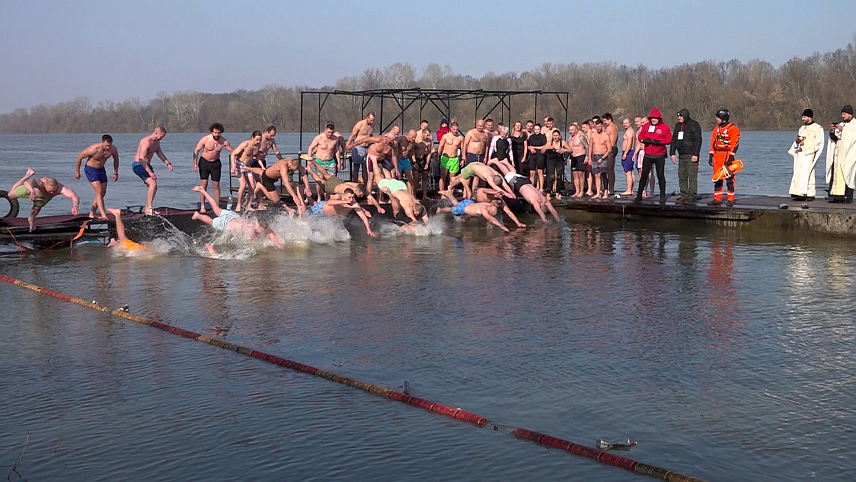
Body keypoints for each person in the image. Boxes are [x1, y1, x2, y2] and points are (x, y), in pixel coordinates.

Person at [191, 186, 281, 243]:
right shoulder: (251, 230)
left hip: (233, 216)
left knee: (216, 209)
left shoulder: (258, 223)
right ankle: (197, 215)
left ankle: (203, 191)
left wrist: (277, 242)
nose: (264, 231)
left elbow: (271, 234)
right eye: (263, 230)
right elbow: (253, 247)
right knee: (210, 221)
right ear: (259, 227)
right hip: (225, 223)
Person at [488, 158, 561, 223]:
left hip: (527, 181)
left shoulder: (545, 200)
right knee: (507, 174)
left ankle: (506, 162)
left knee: (513, 174)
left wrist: (558, 220)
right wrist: (546, 222)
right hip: (520, 184)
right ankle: (496, 162)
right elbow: (541, 213)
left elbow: (553, 210)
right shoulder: (536, 202)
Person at [7, 168, 80, 232]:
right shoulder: (40, 183)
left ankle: (31, 219)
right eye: (50, 190)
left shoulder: (61, 188)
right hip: (31, 191)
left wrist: (75, 206)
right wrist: (31, 191)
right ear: (45, 185)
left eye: (54, 191)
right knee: (10, 195)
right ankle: (27, 175)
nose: (52, 192)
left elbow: (74, 195)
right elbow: (28, 182)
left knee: (36, 208)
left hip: (43, 198)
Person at [74, 134, 119, 220]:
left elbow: (116, 159)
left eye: (109, 146)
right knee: (99, 191)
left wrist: (115, 172)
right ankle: (103, 214)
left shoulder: (113, 149)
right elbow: (80, 157)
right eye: (106, 145)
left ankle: (92, 213)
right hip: (91, 169)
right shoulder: (93, 149)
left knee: (102, 192)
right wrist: (77, 171)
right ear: (102, 142)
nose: (108, 148)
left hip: (101, 170)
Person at [192, 123, 233, 213]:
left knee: (216, 185)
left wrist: (238, 162)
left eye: (218, 133)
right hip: (204, 162)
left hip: (216, 163)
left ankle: (216, 207)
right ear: (212, 132)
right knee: (204, 184)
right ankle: (202, 206)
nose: (216, 135)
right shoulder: (205, 139)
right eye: (215, 133)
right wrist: (195, 163)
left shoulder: (224, 141)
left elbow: (233, 151)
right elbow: (196, 150)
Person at [635, 108, 673, 205]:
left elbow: (669, 139)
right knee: (644, 175)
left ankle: (662, 196)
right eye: (652, 118)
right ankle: (639, 195)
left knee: (660, 175)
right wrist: (643, 140)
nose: (653, 120)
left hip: (659, 154)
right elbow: (640, 136)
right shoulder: (647, 126)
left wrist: (660, 142)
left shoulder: (665, 127)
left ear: (659, 118)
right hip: (648, 154)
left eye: (655, 118)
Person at [132, 126, 173, 216]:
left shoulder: (156, 143)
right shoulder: (146, 142)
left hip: (147, 165)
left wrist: (168, 163)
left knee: (154, 186)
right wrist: (150, 172)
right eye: (161, 137)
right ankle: (149, 209)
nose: (161, 139)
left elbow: (159, 153)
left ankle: (147, 207)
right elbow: (141, 159)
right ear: (155, 133)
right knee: (152, 184)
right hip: (138, 165)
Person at [789, 109, 825, 201]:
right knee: (798, 172)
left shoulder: (817, 128)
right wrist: (797, 143)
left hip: (809, 154)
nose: (802, 119)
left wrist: (805, 143)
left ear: (810, 117)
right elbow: (798, 139)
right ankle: (797, 192)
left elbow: (818, 142)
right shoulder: (802, 128)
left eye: (804, 117)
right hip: (800, 153)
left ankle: (809, 193)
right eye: (802, 117)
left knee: (808, 173)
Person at [307, 189, 377, 237]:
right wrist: (343, 202)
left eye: (352, 197)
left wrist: (369, 229)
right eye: (349, 197)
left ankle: (309, 199)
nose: (351, 199)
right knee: (306, 214)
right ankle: (308, 198)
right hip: (320, 209)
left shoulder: (353, 203)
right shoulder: (338, 196)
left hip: (330, 216)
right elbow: (329, 202)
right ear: (344, 195)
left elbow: (362, 216)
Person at [707, 108, 740, 207]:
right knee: (717, 178)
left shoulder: (732, 129)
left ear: (723, 118)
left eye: (718, 117)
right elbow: (713, 142)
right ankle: (717, 199)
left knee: (729, 179)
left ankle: (730, 199)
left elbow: (735, 143)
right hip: (717, 156)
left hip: (727, 155)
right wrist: (711, 154)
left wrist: (731, 157)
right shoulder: (716, 129)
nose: (716, 119)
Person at [435, 189, 510, 233]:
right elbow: (491, 219)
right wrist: (502, 226)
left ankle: (448, 194)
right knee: (452, 209)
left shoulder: (489, 205)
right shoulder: (483, 210)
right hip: (464, 208)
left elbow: (490, 217)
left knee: (459, 206)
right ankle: (440, 210)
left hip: (470, 203)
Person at [670, 109, 703, 204]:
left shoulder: (694, 125)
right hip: (681, 155)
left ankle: (692, 195)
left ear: (685, 116)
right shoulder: (678, 126)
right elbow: (674, 140)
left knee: (692, 176)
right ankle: (683, 194)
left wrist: (695, 154)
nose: (679, 118)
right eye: (678, 116)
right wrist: (672, 153)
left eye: (680, 116)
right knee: (682, 176)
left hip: (691, 154)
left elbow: (698, 140)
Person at [826, 105, 856, 203]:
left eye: (844, 114)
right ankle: (836, 195)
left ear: (850, 114)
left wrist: (843, 130)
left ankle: (848, 197)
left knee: (848, 174)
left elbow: (852, 136)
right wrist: (833, 130)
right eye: (842, 114)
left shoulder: (854, 124)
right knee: (836, 173)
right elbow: (835, 138)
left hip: (849, 154)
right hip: (839, 153)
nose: (842, 116)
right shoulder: (842, 124)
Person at [230, 130, 263, 212]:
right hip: (239, 164)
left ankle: (248, 204)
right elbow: (233, 154)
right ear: (252, 138)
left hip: (247, 166)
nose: (258, 142)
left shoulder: (257, 146)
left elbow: (257, 156)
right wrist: (233, 166)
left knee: (252, 185)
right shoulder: (245, 144)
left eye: (260, 140)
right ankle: (238, 205)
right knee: (243, 184)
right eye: (257, 139)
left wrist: (262, 166)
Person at [447, 161, 515, 199]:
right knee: (461, 179)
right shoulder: (488, 176)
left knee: (461, 176)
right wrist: (506, 193)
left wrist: (511, 193)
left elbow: (505, 185)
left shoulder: (498, 175)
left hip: (479, 165)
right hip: (472, 168)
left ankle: (455, 178)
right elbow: (494, 187)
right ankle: (450, 186)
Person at [588, 119, 611, 198]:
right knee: (596, 175)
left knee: (603, 174)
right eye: (597, 127)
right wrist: (589, 158)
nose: (598, 128)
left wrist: (603, 158)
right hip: (595, 156)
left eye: (599, 126)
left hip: (603, 156)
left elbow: (609, 149)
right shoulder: (593, 135)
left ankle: (605, 192)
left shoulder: (605, 136)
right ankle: (598, 193)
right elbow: (590, 147)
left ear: (602, 126)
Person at [438, 122, 463, 191]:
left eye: (457, 130)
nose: (455, 131)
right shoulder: (445, 136)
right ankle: (442, 192)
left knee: (452, 178)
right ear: (451, 129)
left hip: (454, 159)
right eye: (454, 129)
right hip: (445, 158)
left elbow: (463, 148)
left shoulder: (460, 138)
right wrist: (438, 156)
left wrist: (463, 158)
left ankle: (450, 192)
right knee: (443, 176)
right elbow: (440, 146)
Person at [544, 128, 569, 197]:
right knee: (551, 177)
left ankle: (557, 193)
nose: (555, 137)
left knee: (559, 177)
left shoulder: (562, 142)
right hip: (551, 161)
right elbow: (542, 151)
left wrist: (564, 150)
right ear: (552, 136)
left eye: (557, 135)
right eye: (554, 135)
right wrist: (546, 148)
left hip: (559, 161)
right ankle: (548, 193)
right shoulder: (549, 142)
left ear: (559, 136)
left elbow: (570, 150)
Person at [567, 123, 588, 198]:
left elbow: (587, 146)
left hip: (580, 156)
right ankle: (577, 191)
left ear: (576, 130)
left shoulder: (580, 136)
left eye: (572, 130)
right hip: (573, 157)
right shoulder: (570, 138)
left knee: (580, 175)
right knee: (575, 175)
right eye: (570, 130)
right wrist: (567, 158)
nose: (571, 131)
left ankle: (581, 191)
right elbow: (569, 148)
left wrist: (587, 157)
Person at [412, 128, 434, 200]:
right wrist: (414, 161)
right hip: (417, 159)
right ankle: (413, 195)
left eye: (429, 135)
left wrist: (427, 163)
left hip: (424, 159)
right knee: (416, 179)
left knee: (425, 178)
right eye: (427, 135)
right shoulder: (417, 140)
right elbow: (412, 151)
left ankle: (425, 195)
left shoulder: (428, 141)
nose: (428, 137)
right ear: (423, 134)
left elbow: (429, 153)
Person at [602, 113, 620, 195]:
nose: (604, 122)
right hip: (612, 149)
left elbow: (611, 142)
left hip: (611, 149)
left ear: (609, 119)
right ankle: (609, 188)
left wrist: (607, 150)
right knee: (609, 169)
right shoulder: (614, 126)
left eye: (605, 121)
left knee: (610, 170)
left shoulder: (611, 128)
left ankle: (611, 189)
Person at [395, 129, 417, 194]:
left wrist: (414, 162)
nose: (414, 139)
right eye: (413, 137)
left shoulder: (412, 142)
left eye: (415, 137)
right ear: (409, 135)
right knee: (398, 177)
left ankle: (411, 194)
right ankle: (397, 194)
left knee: (411, 177)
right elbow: (394, 145)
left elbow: (412, 152)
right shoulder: (402, 139)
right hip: (399, 160)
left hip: (406, 160)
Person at [527, 124, 548, 190]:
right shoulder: (531, 137)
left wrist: (535, 147)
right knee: (532, 172)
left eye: (538, 129)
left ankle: (541, 188)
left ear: (540, 129)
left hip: (540, 155)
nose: (536, 131)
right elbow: (527, 146)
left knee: (540, 171)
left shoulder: (543, 137)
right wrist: (530, 148)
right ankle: (532, 187)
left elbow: (544, 146)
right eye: (535, 129)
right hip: (532, 155)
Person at [619, 118, 636, 196]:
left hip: (628, 152)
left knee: (628, 172)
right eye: (623, 123)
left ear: (630, 123)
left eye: (626, 123)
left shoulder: (629, 132)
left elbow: (629, 143)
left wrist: (625, 153)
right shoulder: (631, 131)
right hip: (629, 152)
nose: (624, 125)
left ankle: (629, 190)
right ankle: (631, 190)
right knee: (631, 172)